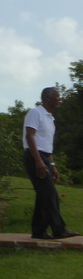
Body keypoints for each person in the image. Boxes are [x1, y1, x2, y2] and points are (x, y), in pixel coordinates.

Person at [23, 87, 79, 240]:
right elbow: (30, 137)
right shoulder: (36, 113)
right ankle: (59, 230)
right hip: (35, 157)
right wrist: (38, 161)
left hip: (45, 157)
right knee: (50, 194)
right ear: (48, 98)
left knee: (44, 195)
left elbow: (46, 144)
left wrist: (52, 165)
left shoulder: (50, 118)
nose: (60, 99)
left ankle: (39, 231)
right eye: (57, 96)